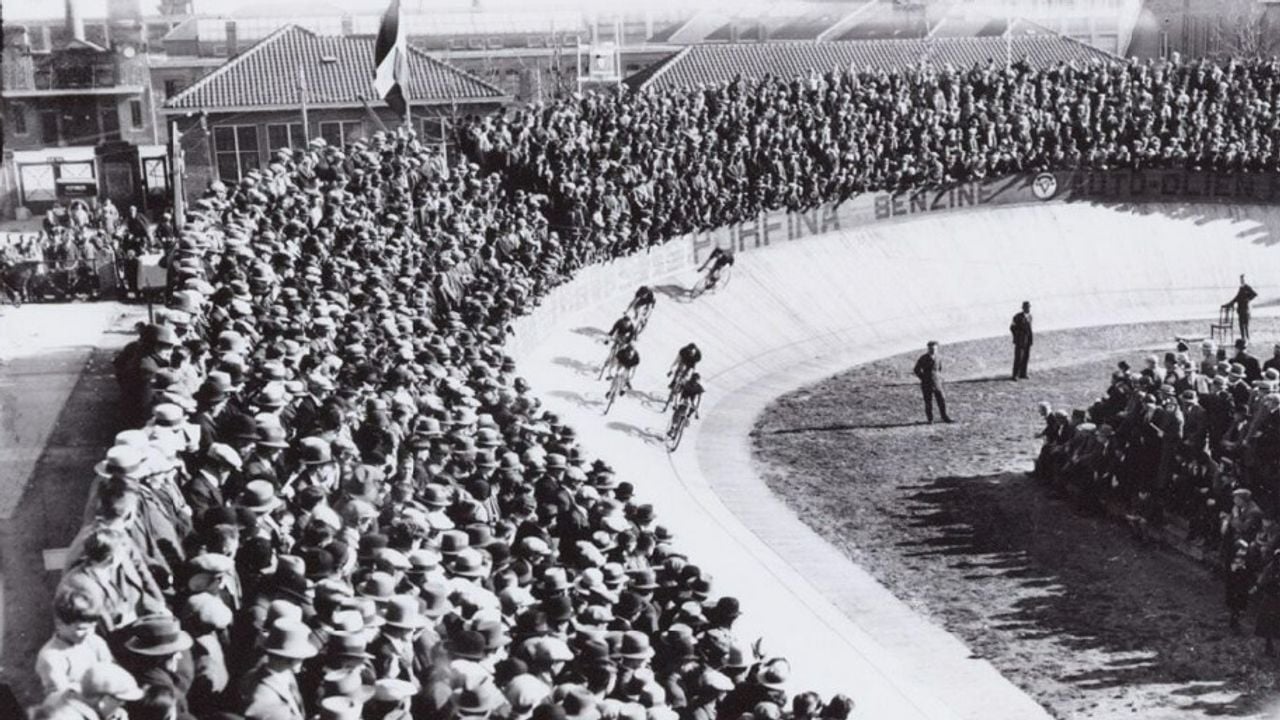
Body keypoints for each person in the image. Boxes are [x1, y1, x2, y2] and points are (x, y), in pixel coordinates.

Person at [912, 341, 953, 424]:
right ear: (928, 348)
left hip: (937, 383)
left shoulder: (939, 358)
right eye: (931, 348)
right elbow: (916, 369)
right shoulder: (923, 358)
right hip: (926, 383)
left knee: (941, 400)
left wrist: (938, 378)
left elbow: (939, 369)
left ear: (937, 349)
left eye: (934, 348)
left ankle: (944, 417)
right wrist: (923, 378)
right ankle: (930, 419)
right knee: (928, 401)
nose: (933, 350)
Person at [1224, 274, 1258, 341]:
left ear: (1245, 280)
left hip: (1246, 310)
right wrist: (1228, 304)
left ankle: (1247, 339)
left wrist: (1247, 299)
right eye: (1241, 279)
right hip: (1241, 310)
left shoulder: (1247, 287)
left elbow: (1254, 294)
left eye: (1242, 279)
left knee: (1245, 326)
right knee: (1242, 325)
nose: (1241, 281)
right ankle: (1244, 338)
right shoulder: (1241, 288)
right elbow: (1236, 298)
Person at [1010, 301, 1033, 380]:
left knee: (1025, 357)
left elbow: (1030, 329)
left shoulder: (1030, 317)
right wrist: (1017, 336)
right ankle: (1015, 375)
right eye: (1026, 307)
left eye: (1029, 307)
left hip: (1027, 341)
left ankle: (1023, 373)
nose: (1028, 309)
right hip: (1020, 341)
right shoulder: (1017, 317)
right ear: (1023, 308)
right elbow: (1012, 327)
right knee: (1018, 358)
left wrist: (1030, 339)